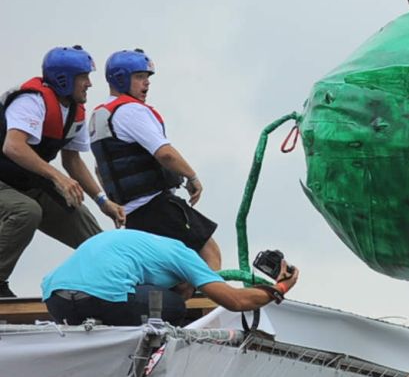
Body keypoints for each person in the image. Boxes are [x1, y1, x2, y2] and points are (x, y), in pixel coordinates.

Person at [0, 46, 123, 299]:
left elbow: (73, 161)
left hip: (28, 182)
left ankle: (115, 288)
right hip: (4, 182)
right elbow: (13, 146)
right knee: (26, 211)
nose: (89, 84)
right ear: (64, 79)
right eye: (84, 77)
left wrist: (103, 201)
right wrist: (57, 177)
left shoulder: (74, 111)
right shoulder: (31, 101)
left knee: (91, 235)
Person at [89, 48, 220, 268]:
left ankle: (185, 301)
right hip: (156, 206)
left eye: (147, 77)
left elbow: (100, 170)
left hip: (132, 216)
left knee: (175, 275)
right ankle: (213, 303)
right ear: (121, 78)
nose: (146, 83)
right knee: (208, 253)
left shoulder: (100, 118)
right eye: (139, 77)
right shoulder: (132, 111)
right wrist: (192, 177)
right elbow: (165, 154)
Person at [41, 229, 297, 326]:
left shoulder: (142, 243)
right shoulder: (183, 254)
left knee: (140, 296)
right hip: (104, 298)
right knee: (174, 305)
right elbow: (235, 301)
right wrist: (280, 287)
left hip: (55, 298)